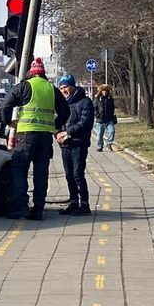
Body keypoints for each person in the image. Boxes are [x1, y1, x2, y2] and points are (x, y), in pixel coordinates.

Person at [0, 58, 70, 221]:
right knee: (41, 173)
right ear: (43, 73)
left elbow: (5, 106)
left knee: (19, 169)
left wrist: (9, 122)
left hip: (26, 136)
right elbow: (65, 112)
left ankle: (21, 206)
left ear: (30, 73)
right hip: (45, 137)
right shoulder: (52, 89)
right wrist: (54, 125)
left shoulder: (23, 87)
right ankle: (38, 210)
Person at [56, 75, 95, 215]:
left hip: (78, 143)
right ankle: (73, 202)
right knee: (69, 175)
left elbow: (85, 123)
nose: (63, 90)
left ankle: (84, 204)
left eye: (65, 87)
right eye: (61, 88)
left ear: (72, 86)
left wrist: (68, 133)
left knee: (78, 174)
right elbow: (57, 121)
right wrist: (58, 134)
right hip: (65, 144)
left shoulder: (85, 102)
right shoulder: (62, 103)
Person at [94, 83, 118, 151]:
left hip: (109, 119)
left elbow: (112, 108)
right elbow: (94, 108)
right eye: (103, 91)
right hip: (100, 119)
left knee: (112, 131)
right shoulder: (97, 98)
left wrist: (111, 115)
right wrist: (97, 115)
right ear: (101, 91)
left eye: (106, 91)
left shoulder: (110, 99)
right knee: (99, 134)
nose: (104, 92)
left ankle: (109, 144)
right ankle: (100, 145)